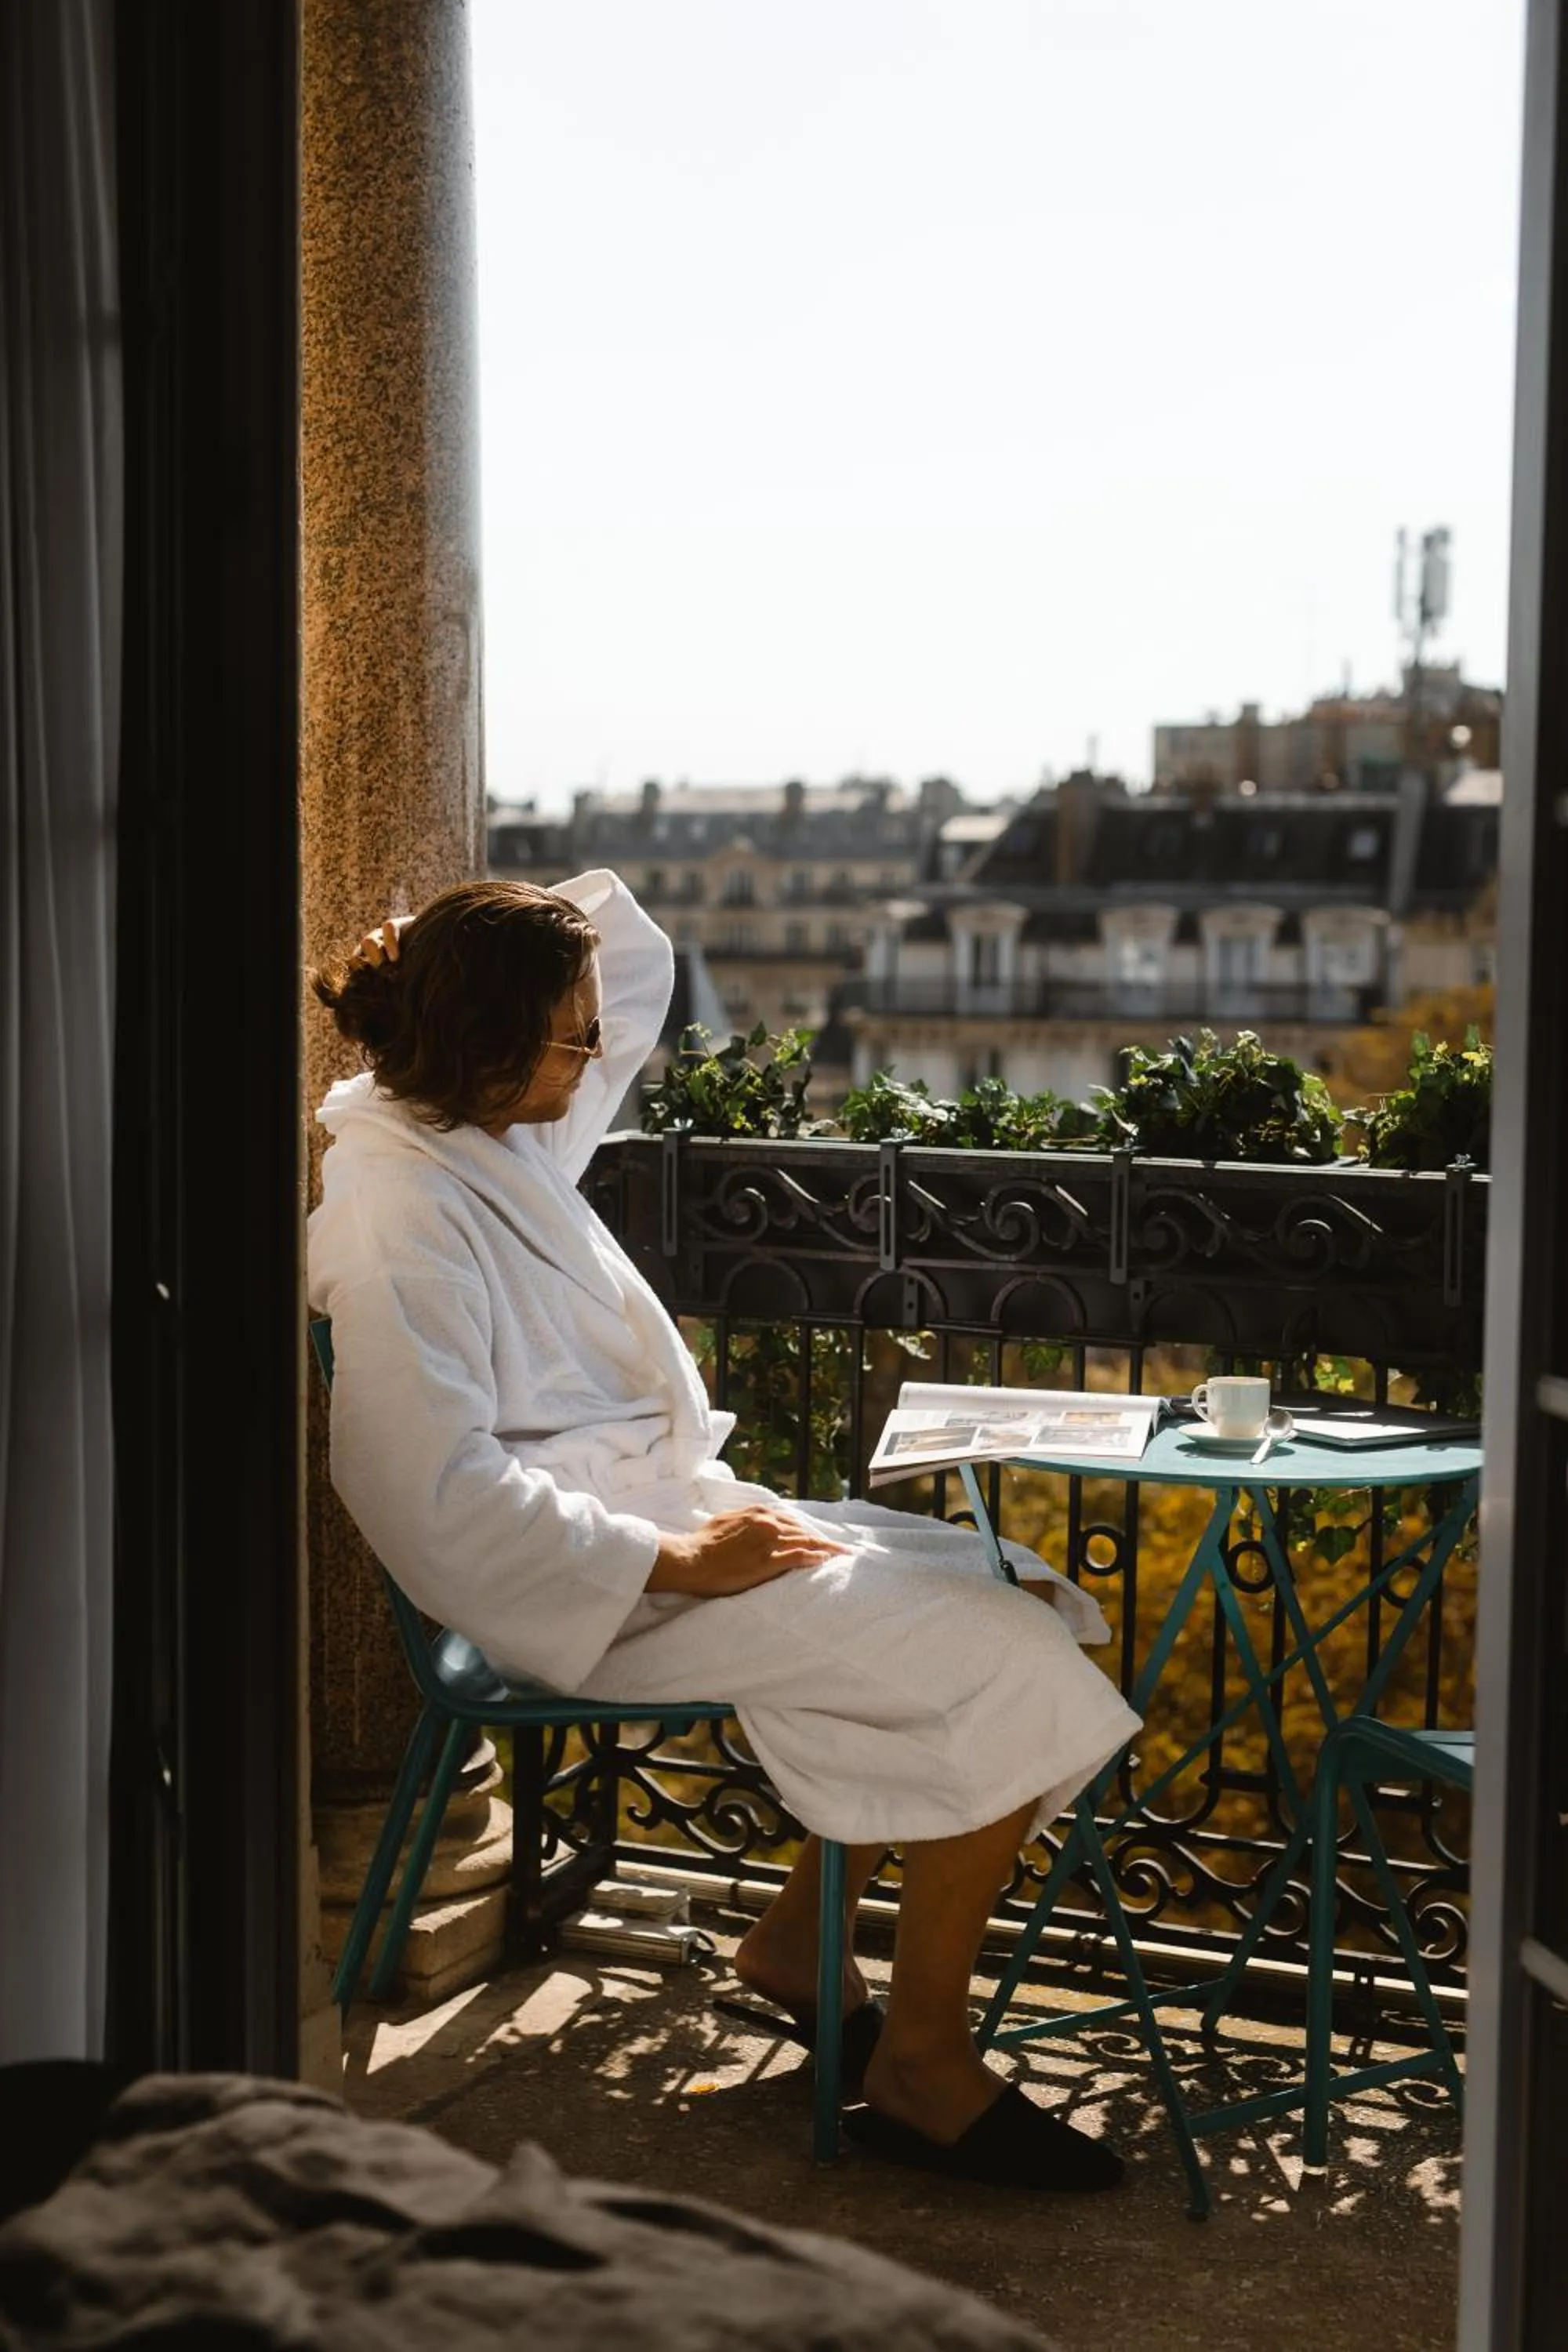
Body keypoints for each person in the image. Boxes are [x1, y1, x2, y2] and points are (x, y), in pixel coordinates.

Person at [308, 869, 1140, 2192]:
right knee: (1009, 1660)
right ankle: (924, 2062)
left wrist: (439, 952)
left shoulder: (488, 1143)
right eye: (566, 1038)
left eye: (583, 1035)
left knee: (1027, 1595)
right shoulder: (404, 1211)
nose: (594, 1062)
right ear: (490, 1045)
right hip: (599, 1583)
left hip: (671, 1533)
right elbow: (423, 1489)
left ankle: (793, 1942)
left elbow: (627, 952)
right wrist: (671, 1560)